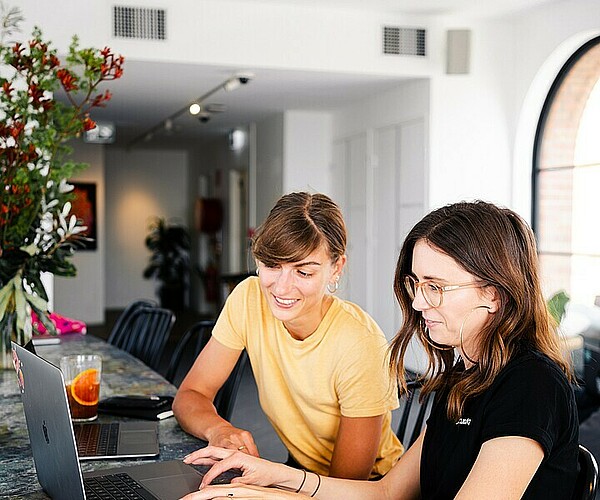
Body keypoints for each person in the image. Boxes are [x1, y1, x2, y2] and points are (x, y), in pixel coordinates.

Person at [180, 200, 579, 499]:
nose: (419, 303)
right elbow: (387, 493)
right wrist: (277, 477)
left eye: (436, 287)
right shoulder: (469, 374)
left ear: (493, 294)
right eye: (417, 284)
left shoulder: (531, 385)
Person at [173, 192, 403, 480]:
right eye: (272, 266)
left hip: (366, 487)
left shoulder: (360, 343)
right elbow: (190, 395)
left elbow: (346, 487)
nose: (282, 289)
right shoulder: (248, 298)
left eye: (303, 273)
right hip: (300, 470)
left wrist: (271, 481)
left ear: (336, 268)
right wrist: (219, 429)